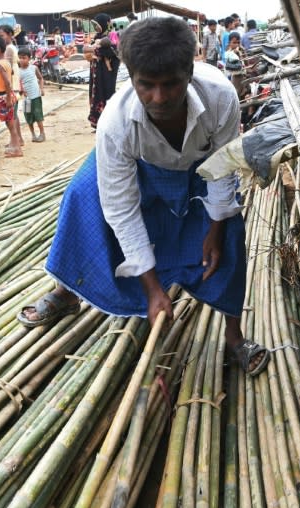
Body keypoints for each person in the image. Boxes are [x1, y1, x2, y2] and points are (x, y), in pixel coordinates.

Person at [17, 17, 270, 376]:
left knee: (230, 228)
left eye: (171, 84)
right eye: (146, 85)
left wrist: (214, 227)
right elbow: (120, 207)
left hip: (201, 168)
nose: (159, 97)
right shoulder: (115, 123)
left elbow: (223, 167)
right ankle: (69, 291)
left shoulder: (220, 96)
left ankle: (233, 337)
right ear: (130, 76)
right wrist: (152, 289)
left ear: (191, 70)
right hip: (140, 167)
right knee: (81, 197)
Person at [84, 13, 120, 131]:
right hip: (96, 72)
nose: (96, 27)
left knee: (106, 93)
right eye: (94, 25)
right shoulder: (97, 37)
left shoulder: (111, 36)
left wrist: (96, 49)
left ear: (104, 24)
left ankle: (108, 123)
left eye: (97, 25)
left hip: (106, 74)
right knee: (96, 94)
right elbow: (86, 50)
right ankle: (98, 122)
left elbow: (114, 53)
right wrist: (93, 50)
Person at [0, 25, 25, 149]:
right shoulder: (11, 48)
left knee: (11, 115)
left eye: (2, 35)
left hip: (12, 85)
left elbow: (7, 68)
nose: (0, 38)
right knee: (13, 114)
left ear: (9, 34)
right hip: (14, 84)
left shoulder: (9, 49)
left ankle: (16, 140)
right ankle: (18, 138)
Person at [18, 47, 46, 142]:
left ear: (29, 58)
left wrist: (41, 89)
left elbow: (41, 78)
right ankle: (33, 135)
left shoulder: (33, 68)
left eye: (24, 57)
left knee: (38, 115)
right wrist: (21, 91)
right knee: (28, 117)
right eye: (20, 58)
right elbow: (18, 84)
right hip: (26, 99)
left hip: (36, 96)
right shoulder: (18, 71)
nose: (22, 60)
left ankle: (42, 134)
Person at [224, 32, 246, 98]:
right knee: (236, 94)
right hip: (234, 77)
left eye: (238, 43)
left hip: (242, 76)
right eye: (234, 43)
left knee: (243, 94)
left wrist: (242, 52)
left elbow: (245, 62)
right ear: (229, 43)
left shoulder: (241, 50)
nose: (236, 45)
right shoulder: (228, 53)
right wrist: (236, 54)